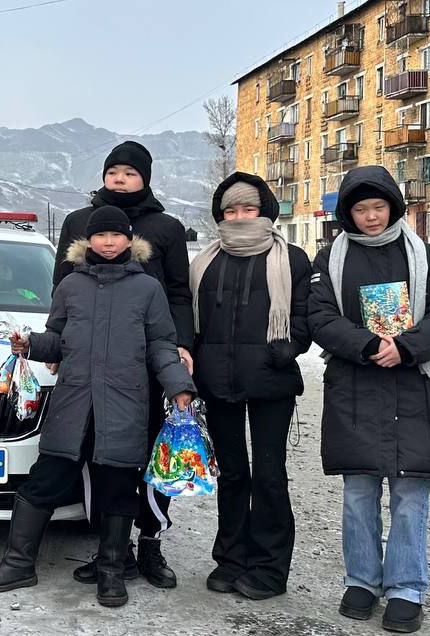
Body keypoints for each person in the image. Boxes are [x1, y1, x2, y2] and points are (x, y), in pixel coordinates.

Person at [0, 206, 195, 607]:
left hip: (124, 405)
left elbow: (162, 345)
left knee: (118, 488)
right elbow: (57, 339)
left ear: (129, 240)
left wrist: (179, 386)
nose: (108, 242)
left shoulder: (147, 289)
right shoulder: (71, 286)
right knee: (44, 481)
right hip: (73, 404)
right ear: (88, 240)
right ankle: (18, 563)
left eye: (116, 235)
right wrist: (30, 344)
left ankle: (112, 572)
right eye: (100, 235)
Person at [309, 166, 430, 634]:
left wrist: (407, 347)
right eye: (361, 209)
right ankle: (361, 581)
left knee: (410, 497)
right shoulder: (330, 259)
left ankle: (406, 589)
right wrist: (369, 345)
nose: (371, 216)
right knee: (358, 495)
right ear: (347, 214)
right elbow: (319, 315)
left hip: (416, 389)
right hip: (355, 387)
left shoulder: (426, 256)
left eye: (378, 207)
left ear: (393, 207)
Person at [55, 141, 193, 589]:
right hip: (95, 364)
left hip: (148, 362)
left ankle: (151, 542)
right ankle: (111, 550)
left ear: (145, 178)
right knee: (100, 456)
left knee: (154, 454)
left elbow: (178, 292)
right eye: (113, 170)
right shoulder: (78, 222)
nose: (120, 178)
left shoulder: (166, 227)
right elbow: (62, 289)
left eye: (130, 172)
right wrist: (58, 348)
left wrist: (182, 345)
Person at [189, 173, 312, 600]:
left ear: (265, 212)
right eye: (231, 210)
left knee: (269, 475)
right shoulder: (204, 263)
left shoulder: (292, 259)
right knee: (232, 473)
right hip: (216, 381)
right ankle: (230, 559)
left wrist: (287, 348)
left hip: (271, 381)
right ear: (220, 215)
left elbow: (305, 315)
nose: (240, 216)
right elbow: (192, 320)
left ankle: (269, 568)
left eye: (249, 208)